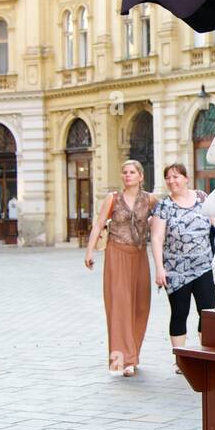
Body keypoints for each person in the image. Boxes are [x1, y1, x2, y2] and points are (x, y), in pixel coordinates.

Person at [83, 160, 156, 377]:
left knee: (140, 305)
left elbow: (165, 215)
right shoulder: (113, 198)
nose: (127, 175)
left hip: (140, 254)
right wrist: (89, 251)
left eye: (132, 172)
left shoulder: (150, 199)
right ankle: (124, 360)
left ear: (141, 176)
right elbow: (98, 225)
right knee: (120, 306)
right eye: (124, 172)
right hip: (117, 253)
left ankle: (133, 353)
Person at [150, 163, 215, 368]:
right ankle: (180, 360)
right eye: (168, 178)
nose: (172, 181)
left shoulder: (203, 198)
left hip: (204, 265)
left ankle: (206, 354)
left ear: (186, 178)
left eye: (176, 177)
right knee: (179, 313)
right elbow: (157, 237)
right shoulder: (164, 205)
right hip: (176, 269)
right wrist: (160, 268)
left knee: (207, 313)